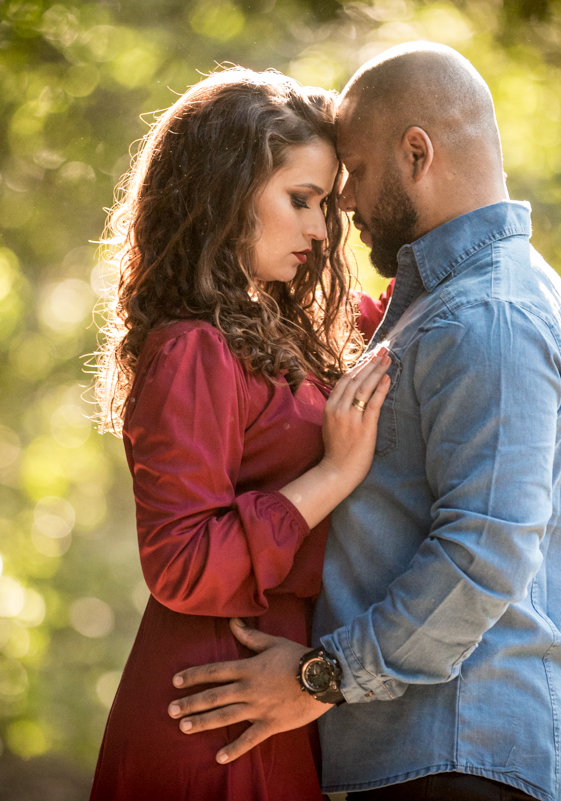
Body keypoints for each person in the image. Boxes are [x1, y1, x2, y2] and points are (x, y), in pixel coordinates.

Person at [168, 42, 561, 801]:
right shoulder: (452, 305)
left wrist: (319, 676)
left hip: (454, 751)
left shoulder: (490, 314)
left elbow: (483, 552)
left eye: (356, 174)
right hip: (421, 750)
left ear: (416, 153)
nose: (345, 205)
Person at [88, 67, 393, 800]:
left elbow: (409, 319)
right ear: (225, 194)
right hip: (212, 706)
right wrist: (331, 475)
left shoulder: (288, 329)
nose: (321, 230)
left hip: (279, 687)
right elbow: (181, 563)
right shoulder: (192, 349)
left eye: (323, 205)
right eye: (300, 201)